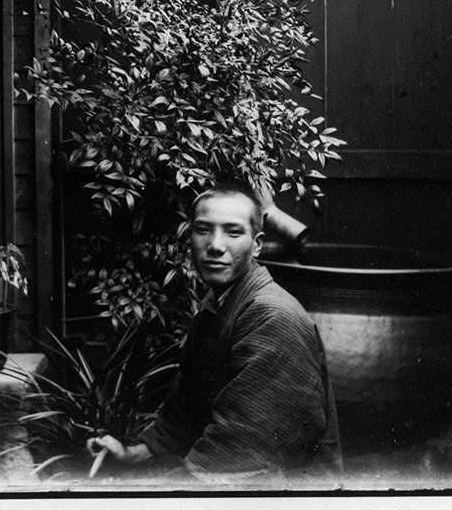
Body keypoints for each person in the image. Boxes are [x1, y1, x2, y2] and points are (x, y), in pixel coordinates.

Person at [88, 180, 342, 483]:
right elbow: (184, 416)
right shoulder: (219, 304)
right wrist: (131, 456)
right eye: (203, 229)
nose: (216, 245)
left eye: (233, 232)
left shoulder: (273, 318)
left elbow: (239, 455)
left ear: (257, 244)